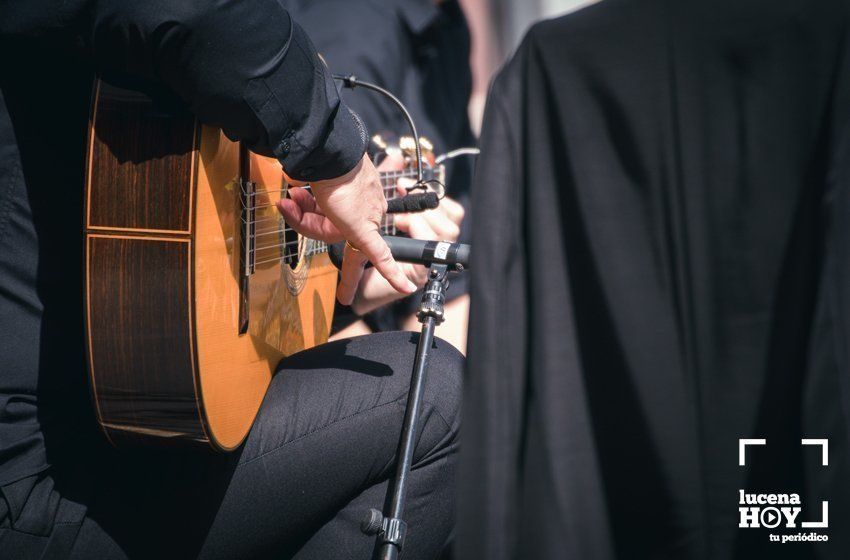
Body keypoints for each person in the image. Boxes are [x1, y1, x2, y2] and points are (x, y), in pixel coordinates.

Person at [0, 2, 462, 558]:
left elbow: (173, 304)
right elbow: (203, 15)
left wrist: (343, 285)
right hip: (44, 472)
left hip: (105, 435)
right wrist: (338, 153)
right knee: (435, 398)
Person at [459, 0, 850, 559]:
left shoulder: (545, 65)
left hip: (604, 492)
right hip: (802, 481)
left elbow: (502, 336)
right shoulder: (832, 42)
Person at [280, 0, 476, 353]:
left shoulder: (450, 26)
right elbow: (293, 244)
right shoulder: (357, 23)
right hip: (316, 325)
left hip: (385, 305)